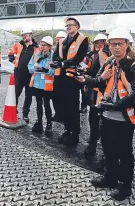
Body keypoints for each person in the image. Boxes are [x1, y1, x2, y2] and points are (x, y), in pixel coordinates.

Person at [76, 27, 135, 201]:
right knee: (108, 149)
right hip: (107, 114)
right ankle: (110, 177)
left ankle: (126, 186)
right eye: (113, 44)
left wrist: (114, 106)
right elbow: (98, 82)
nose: (116, 47)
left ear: (127, 45)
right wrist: (87, 79)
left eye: (120, 44)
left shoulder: (134, 66)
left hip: (124, 117)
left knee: (124, 152)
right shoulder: (109, 63)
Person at [52, 16, 89, 146]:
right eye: (66, 25)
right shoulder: (62, 41)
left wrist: (64, 64)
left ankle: (75, 134)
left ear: (77, 27)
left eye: (70, 25)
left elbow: (80, 56)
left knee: (73, 106)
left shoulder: (83, 40)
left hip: (73, 78)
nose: (68, 27)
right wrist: (58, 63)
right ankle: (67, 130)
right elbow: (56, 55)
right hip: (61, 77)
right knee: (63, 105)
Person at [82, 33, 110, 158]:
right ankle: (92, 143)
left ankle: (101, 148)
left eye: (101, 43)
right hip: (93, 90)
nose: (99, 45)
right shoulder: (91, 55)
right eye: (97, 43)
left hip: (103, 91)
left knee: (103, 120)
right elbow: (89, 70)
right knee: (92, 117)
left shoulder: (108, 56)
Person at [9, 28, 39, 123]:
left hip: (30, 75)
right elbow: (10, 52)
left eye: (25, 35)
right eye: (22, 35)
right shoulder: (19, 45)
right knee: (16, 93)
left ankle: (25, 113)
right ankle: (14, 110)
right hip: (19, 73)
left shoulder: (36, 47)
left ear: (30, 35)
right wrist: (13, 60)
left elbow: (39, 59)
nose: (23, 37)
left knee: (28, 95)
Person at [27, 36, 55, 135]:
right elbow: (29, 67)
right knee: (38, 104)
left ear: (49, 46)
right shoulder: (36, 55)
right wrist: (34, 68)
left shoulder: (53, 57)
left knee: (47, 104)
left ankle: (49, 124)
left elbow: (53, 72)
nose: (41, 47)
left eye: (44, 45)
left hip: (46, 86)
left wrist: (45, 70)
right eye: (41, 45)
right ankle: (39, 123)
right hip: (37, 84)